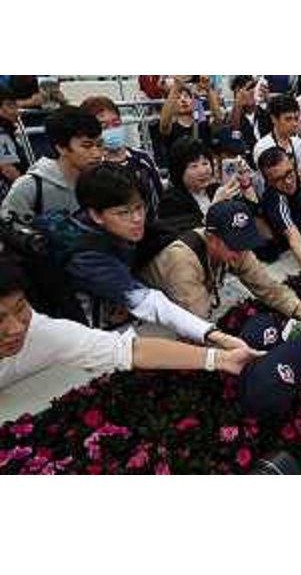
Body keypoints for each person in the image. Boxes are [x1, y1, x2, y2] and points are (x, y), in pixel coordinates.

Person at [35, 163, 248, 351]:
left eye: (139, 208)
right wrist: (211, 333)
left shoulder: (115, 229)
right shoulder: (85, 255)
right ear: (96, 215)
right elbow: (148, 302)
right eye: (123, 213)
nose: (137, 219)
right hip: (81, 336)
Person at [0, 250, 262, 390]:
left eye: (21, 307)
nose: (16, 328)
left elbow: (131, 350)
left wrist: (220, 358)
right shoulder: (89, 260)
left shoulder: (45, 333)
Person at [141, 199, 301, 329]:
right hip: (147, 314)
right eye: (234, 246)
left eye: (244, 243)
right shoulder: (182, 261)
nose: (240, 253)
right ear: (211, 238)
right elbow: (198, 322)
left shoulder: (236, 250)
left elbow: (267, 286)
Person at [1, 106, 103, 219]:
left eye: (99, 145)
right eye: (87, 146)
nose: (97, 154)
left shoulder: (105, 181)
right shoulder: (29, 188)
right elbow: (9, 231)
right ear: (61, 148)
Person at [80, 95, 163, 222]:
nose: (112, 130)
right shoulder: (92, 167)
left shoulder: (143, 158)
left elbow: (159, 197)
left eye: (116, 124)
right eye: (104, 127)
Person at [257, 147, 301, 273]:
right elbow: (292, 235)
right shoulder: (274, 199)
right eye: (278, 179)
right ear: (267, 181)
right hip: (287, 255)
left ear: (292, 164)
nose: (288, 182)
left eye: (289, 173)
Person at [158, 137, 220, 233]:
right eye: (194, 166)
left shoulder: (216, 190)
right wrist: (217, 203)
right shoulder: (171, 202)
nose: (203, 171)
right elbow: (191, 236)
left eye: (205, 163)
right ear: (179, 171)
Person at [253, 94, 301, 177]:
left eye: (296, 118)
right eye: (288, 119)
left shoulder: (299, 143)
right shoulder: (263, 146)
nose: (294, 124)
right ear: (273, 119)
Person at [228, 76, 271, 169]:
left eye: (253, 88)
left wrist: (268, 98)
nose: (251, 92)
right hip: (247, 167)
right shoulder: (234, 118)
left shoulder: (265, 114)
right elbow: (234, 137)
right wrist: (238, 104)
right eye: (240, 92)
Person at [0, 87, 29, 204]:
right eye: (10, 106)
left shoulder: (7, 130)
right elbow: (8, 170)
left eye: (16, 106)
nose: (16, 111)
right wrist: (30, 192)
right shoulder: (2, 134)